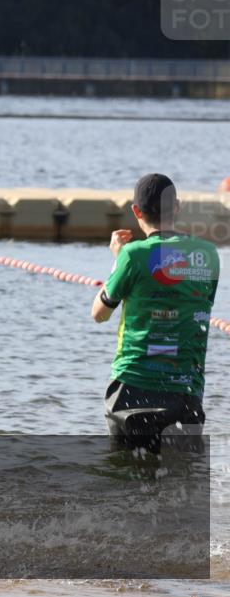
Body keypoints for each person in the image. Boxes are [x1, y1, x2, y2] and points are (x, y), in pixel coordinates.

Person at [91, 174, 220, 453]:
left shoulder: (132, 255)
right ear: (178, 207)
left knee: (126, 479)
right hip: (186, 390)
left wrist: (117, 261)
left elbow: (99, 314)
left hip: (133, 387)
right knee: (181, 481)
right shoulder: (208, 254)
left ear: (137, 211)